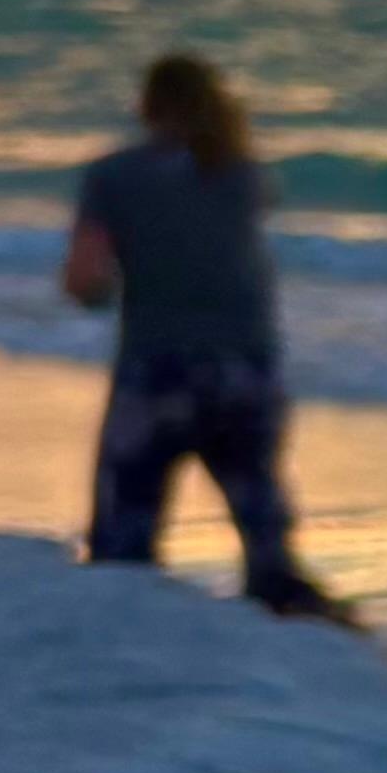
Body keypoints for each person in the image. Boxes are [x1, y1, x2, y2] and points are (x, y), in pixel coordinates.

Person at [62, 53, 339, 616]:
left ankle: (135, 641)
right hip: (247, 370)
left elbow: (85, 280)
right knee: (264, 539)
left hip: (157, 371)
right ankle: (302, 628)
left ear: (146, 105)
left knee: (123, 546)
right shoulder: (245, 174)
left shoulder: (112, 176)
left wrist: (105, 290)